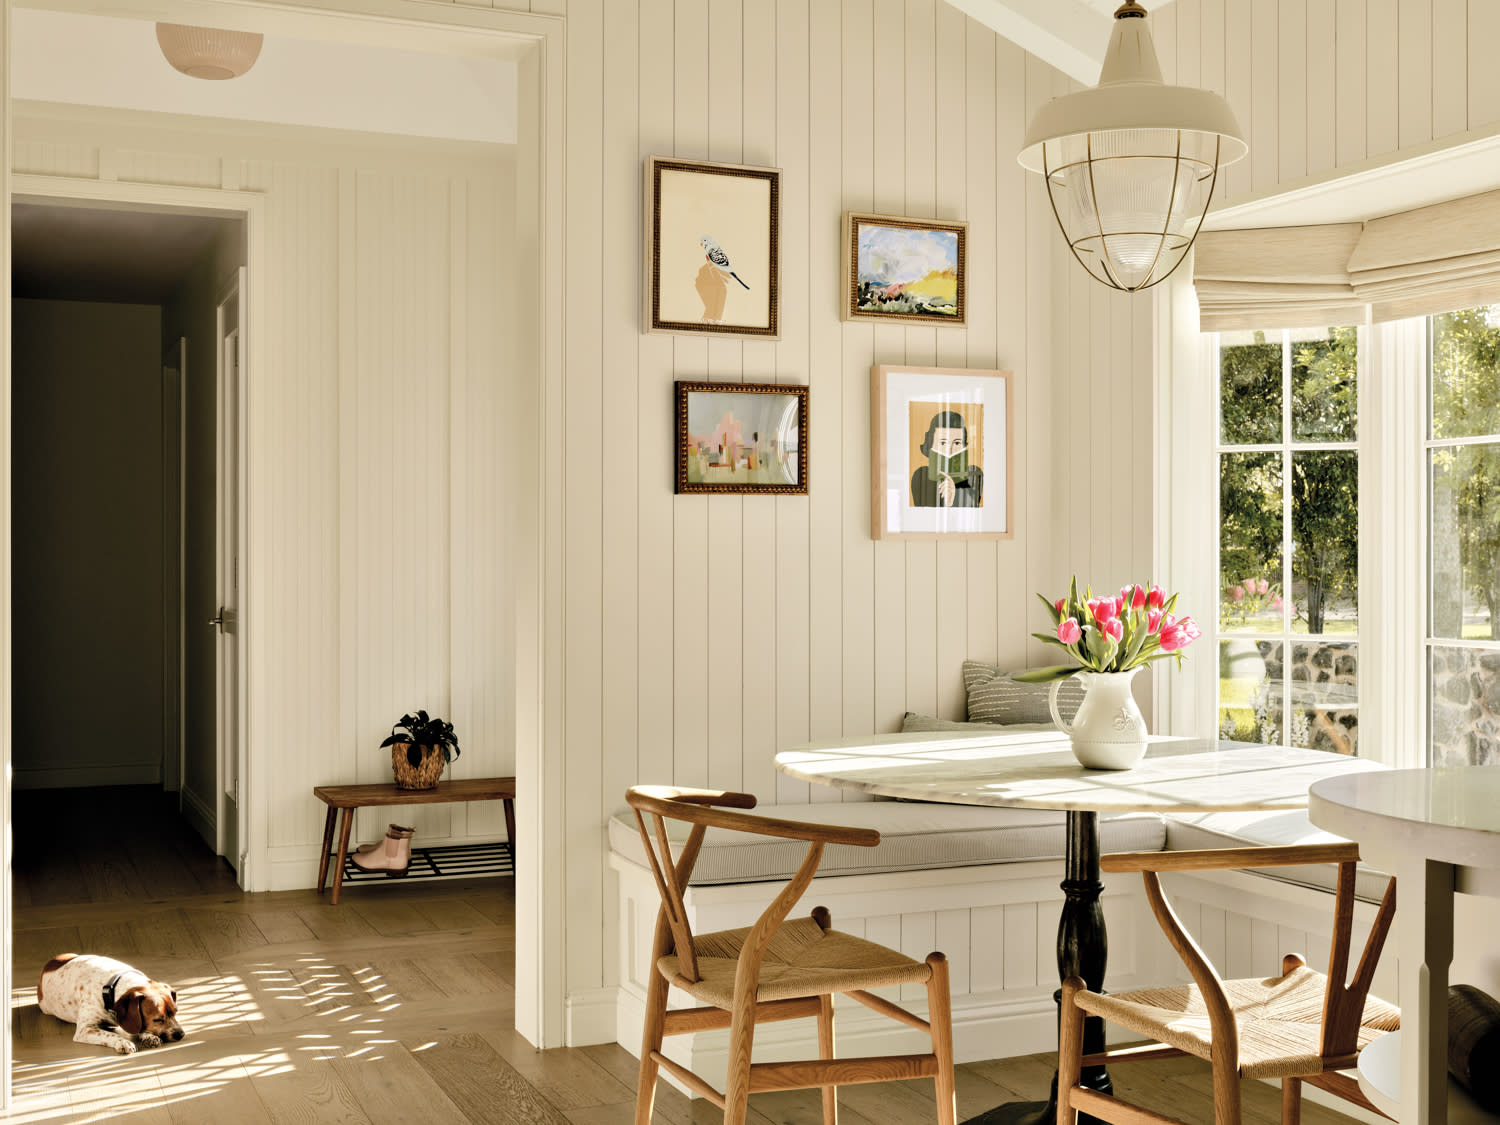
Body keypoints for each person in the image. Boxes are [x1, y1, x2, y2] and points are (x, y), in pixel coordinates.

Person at [910, 410, 983, 507]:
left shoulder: (974, 474)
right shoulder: (921, 476)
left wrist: (954, 498)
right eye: (943, 443)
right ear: (931, 444)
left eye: (957, 443)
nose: (950, 451)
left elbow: (973, 510)